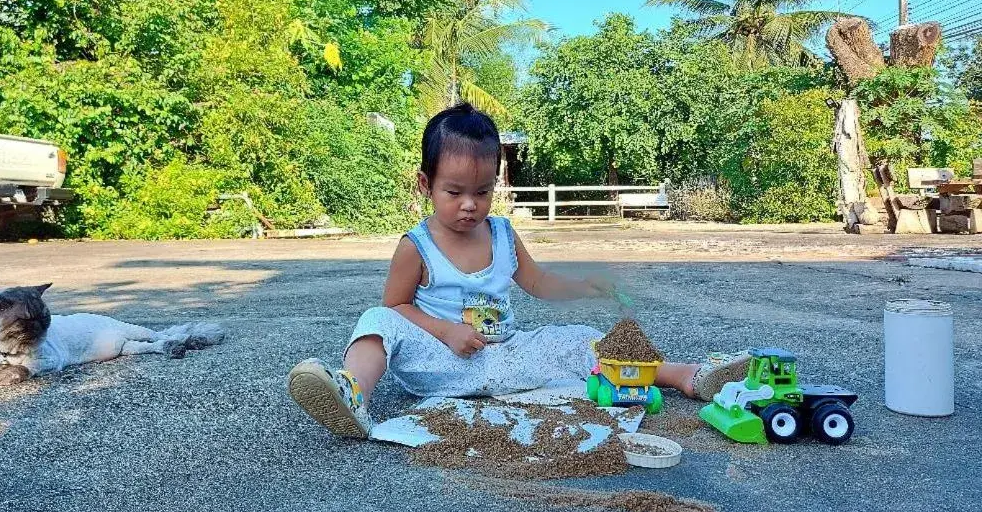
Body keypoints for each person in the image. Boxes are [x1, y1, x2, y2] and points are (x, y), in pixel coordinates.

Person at [288, 103, 748, 438]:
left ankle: (685, 375)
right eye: (454, 192)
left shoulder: (504, 234)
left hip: (505, 357)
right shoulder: (417, 246)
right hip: (436, 362)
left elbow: (537, 282)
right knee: (375, 321)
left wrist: (585, 284)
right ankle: (352, 393)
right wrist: (445, 331)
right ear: (426, 185)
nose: (470, 205)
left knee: (578, 337)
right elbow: (397, 306)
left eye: (482, 192)